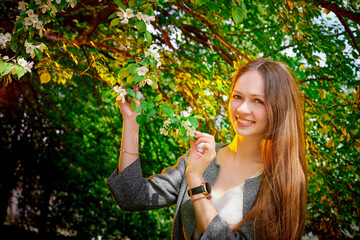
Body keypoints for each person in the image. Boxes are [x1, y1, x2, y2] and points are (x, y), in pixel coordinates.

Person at [106, 58, 307, 239]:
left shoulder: (282, 180)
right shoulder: (201, 158)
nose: (243, 109)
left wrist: (195, 182)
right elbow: (131, 196)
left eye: (258, 101)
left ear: (279, 108)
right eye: (237, 96)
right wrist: (132, 121)